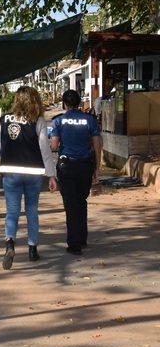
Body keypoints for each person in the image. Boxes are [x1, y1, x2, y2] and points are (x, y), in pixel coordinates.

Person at [0, 86, 57, 270]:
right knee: (32, 211)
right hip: (33, 173)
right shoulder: (37, 120)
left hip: (10, 171)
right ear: (34, 100)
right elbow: (45, 148)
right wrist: (51, 175)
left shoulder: (4, 119)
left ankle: (10, 245)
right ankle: (32, 249)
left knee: (12, 212)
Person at [50, 89, 102, 255]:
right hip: (85, 166)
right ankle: (82, 238)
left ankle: (74, 244)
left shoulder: (58, 121)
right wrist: (97, 168)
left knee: (70, 205)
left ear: (64, 104)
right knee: (81, 201)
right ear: (79, 102)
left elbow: (54, 146)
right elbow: (97, 146)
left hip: (67, 167)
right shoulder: (90, 120)